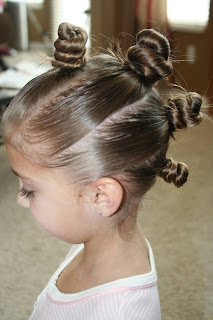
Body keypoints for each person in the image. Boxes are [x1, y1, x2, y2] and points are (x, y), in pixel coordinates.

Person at [2, 22, 203, 319]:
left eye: (29, 188)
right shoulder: (99, 241)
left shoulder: (121, 313)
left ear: (100, 197)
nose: (20, 199)